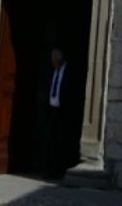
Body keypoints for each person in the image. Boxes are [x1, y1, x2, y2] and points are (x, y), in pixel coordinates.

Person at [43, 45, 80, 179]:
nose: (52, 61)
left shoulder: (70, 71)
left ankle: (60, 171)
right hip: (52, 110)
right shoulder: (51, 71)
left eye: (54, 59)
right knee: (50, 142)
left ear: (60, 59)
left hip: (64, 112)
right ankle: (50, 170)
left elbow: (73, 92)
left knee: (61, 142)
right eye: (52, 59)